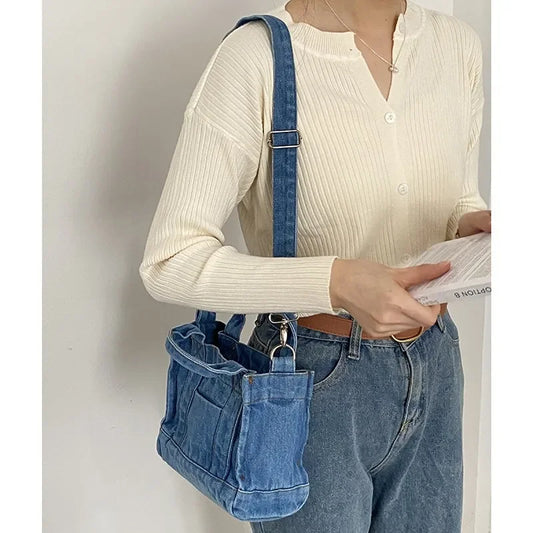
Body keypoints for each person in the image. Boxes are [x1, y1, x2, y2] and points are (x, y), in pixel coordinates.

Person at [139, 1, 491, 531]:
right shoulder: (258, 57)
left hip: (437, 358)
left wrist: (470, 225)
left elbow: (460, 195)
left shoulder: (456, 44)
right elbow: (170, 260)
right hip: (309, 376)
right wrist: (335, 282)